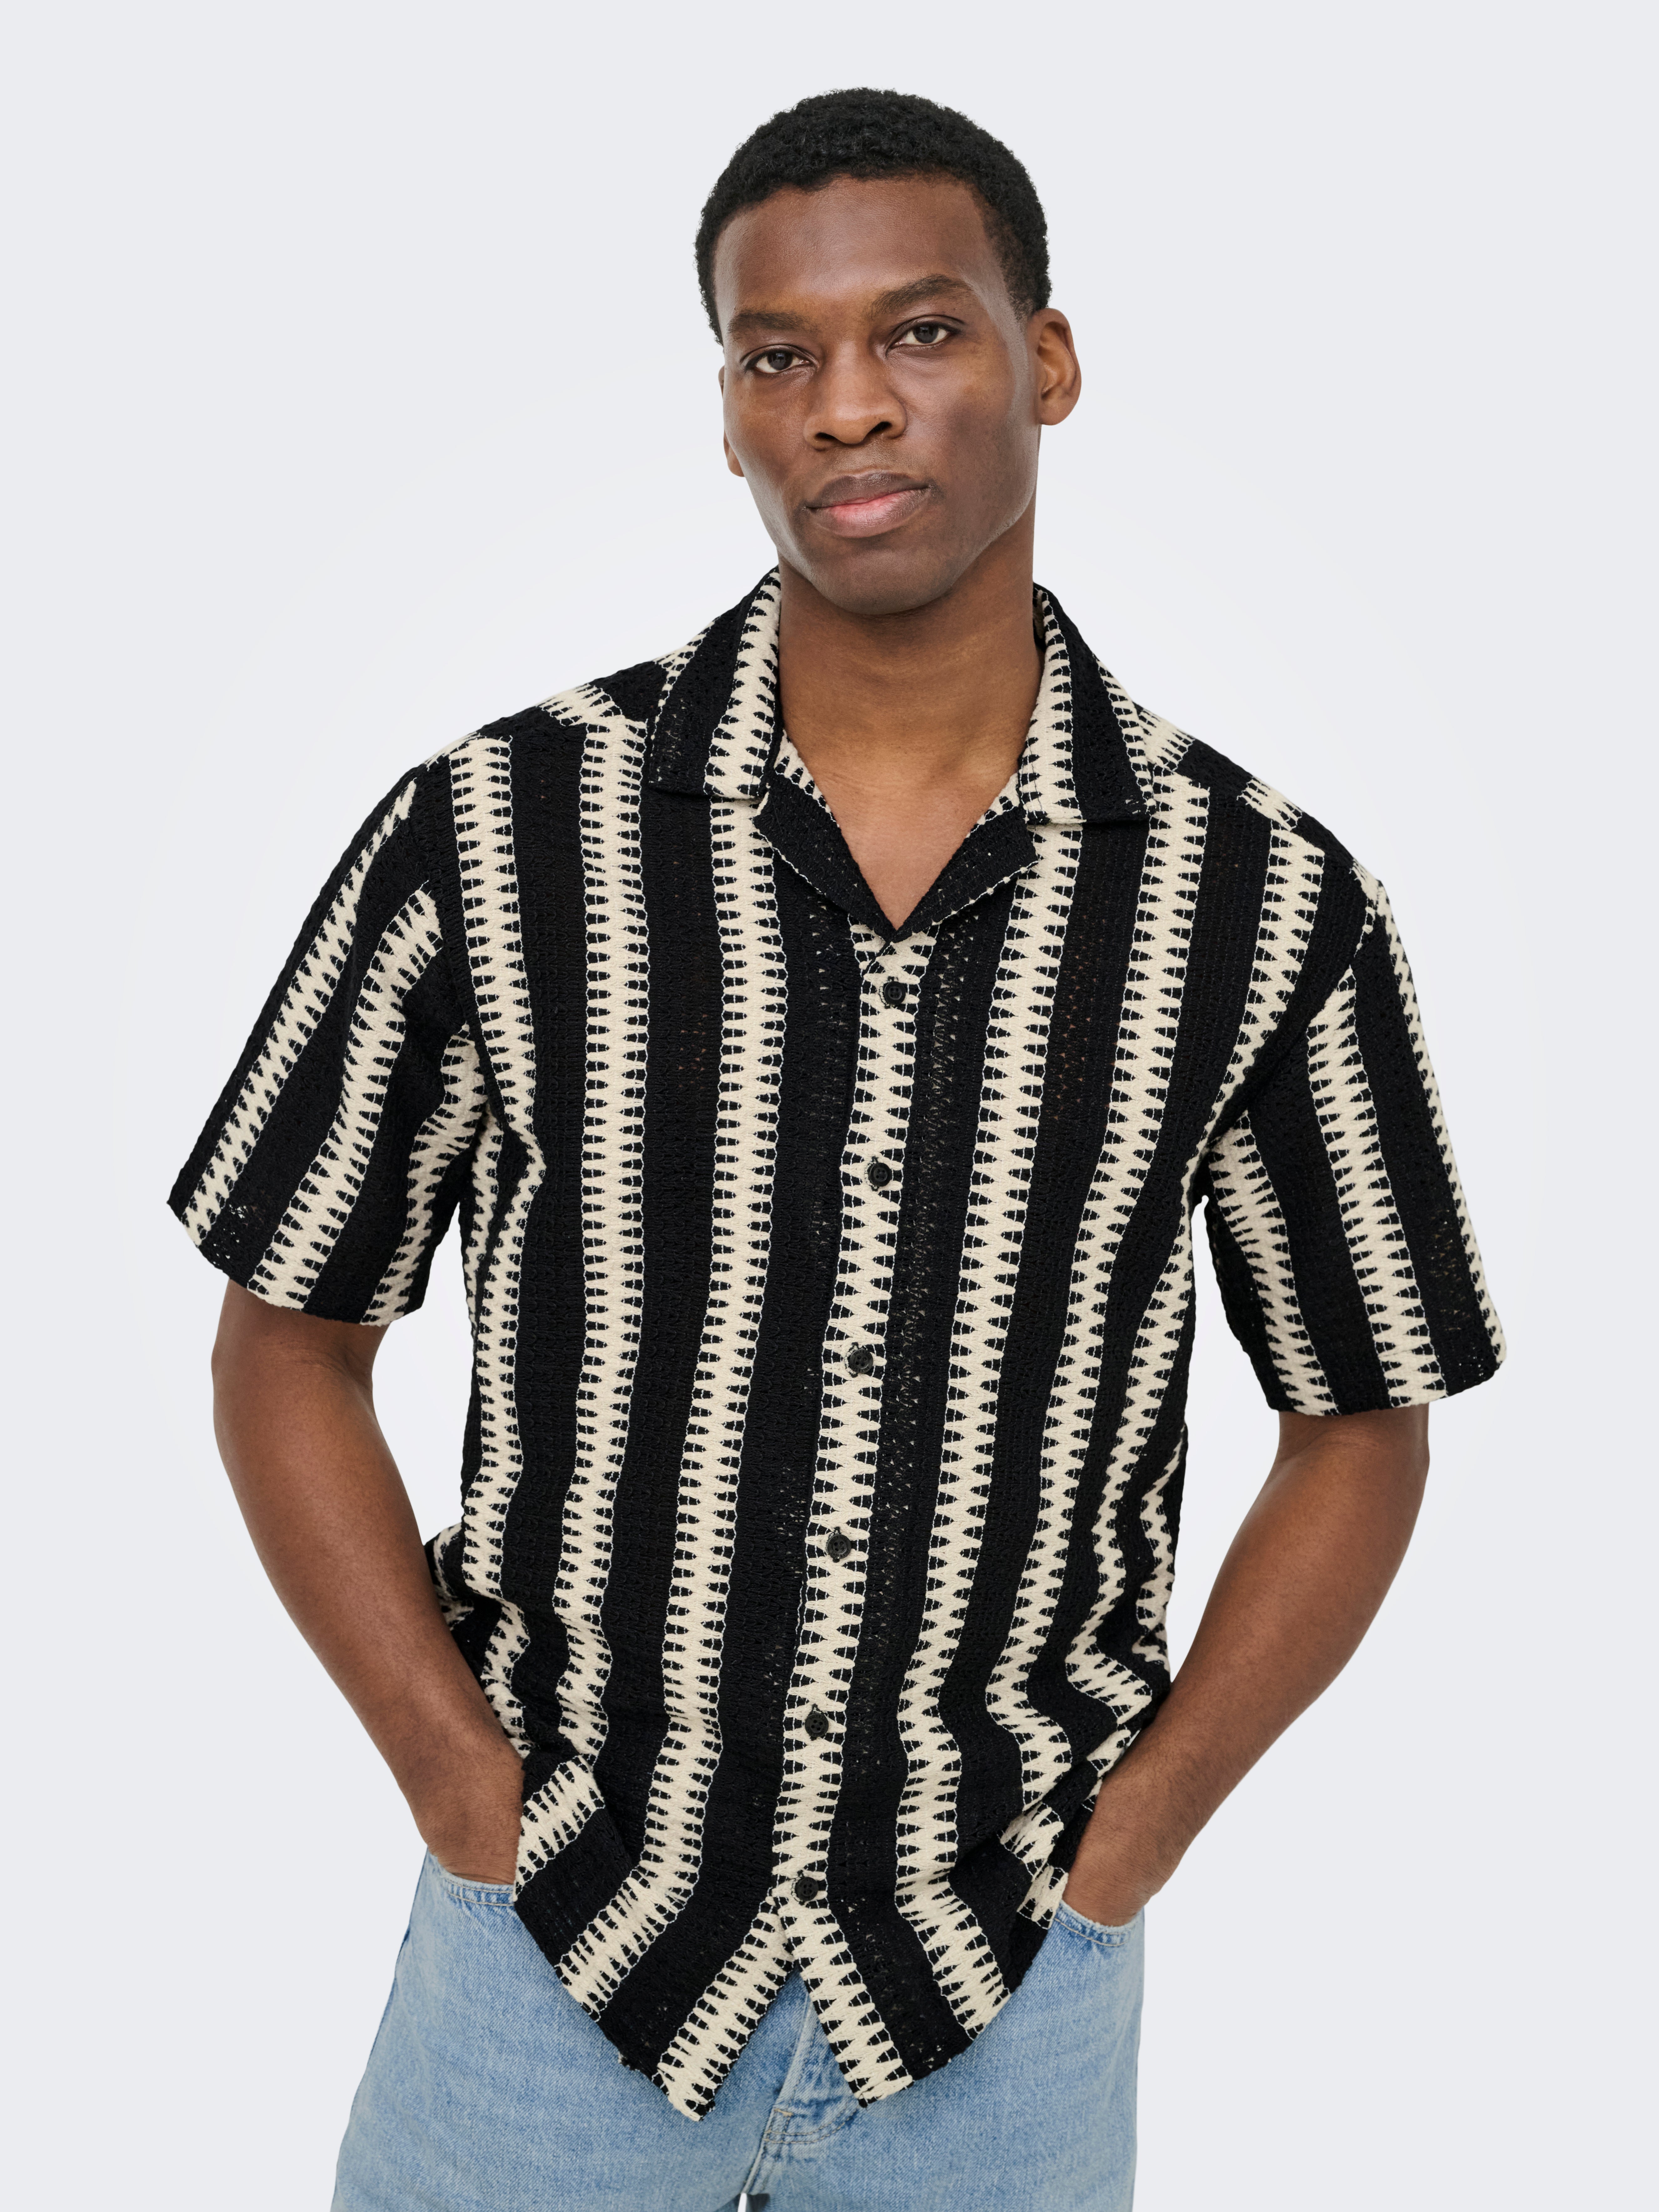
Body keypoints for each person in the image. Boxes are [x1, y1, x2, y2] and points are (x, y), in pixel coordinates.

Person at [172, 88, 1504, 2212]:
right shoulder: (498, 834)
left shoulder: (1261, 901)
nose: (848, 406)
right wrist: (455, 1781)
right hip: (551, 1954)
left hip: (1005, 1987)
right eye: (776, 354)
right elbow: (286, 1335)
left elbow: (1365, 1413)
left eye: (923, 331)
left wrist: (1137, 1838)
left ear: (1047, 360)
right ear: (728, 414)